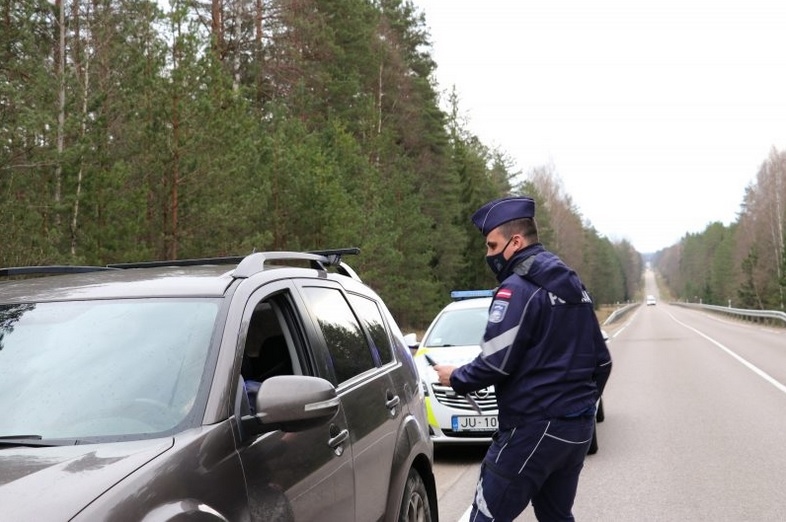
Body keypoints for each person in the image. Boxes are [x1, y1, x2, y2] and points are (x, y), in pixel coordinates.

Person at [433, 195, 612, 522]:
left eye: (491, 245)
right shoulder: (574, 286)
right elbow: (603, 362)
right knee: (556, 516)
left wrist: (455, 377)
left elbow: (495, 363)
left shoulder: (517, 290)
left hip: (532, 428)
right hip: (577, 430)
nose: (488, 255)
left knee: (484, 517)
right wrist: (580, 407)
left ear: (515, 242)